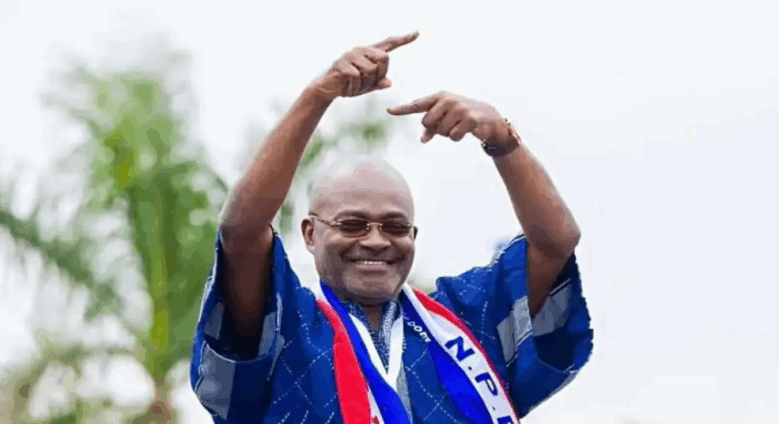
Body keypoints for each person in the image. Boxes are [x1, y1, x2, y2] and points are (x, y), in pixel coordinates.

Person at [190, 31, 593, 424]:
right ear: (310, 234)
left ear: (413, 237)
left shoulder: (467, 319)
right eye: (352, 224)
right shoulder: (289, 326)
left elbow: (556, 243)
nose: (376, 240)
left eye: (395, 227)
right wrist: (318, 96)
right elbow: (242, 232)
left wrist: (502, 140)